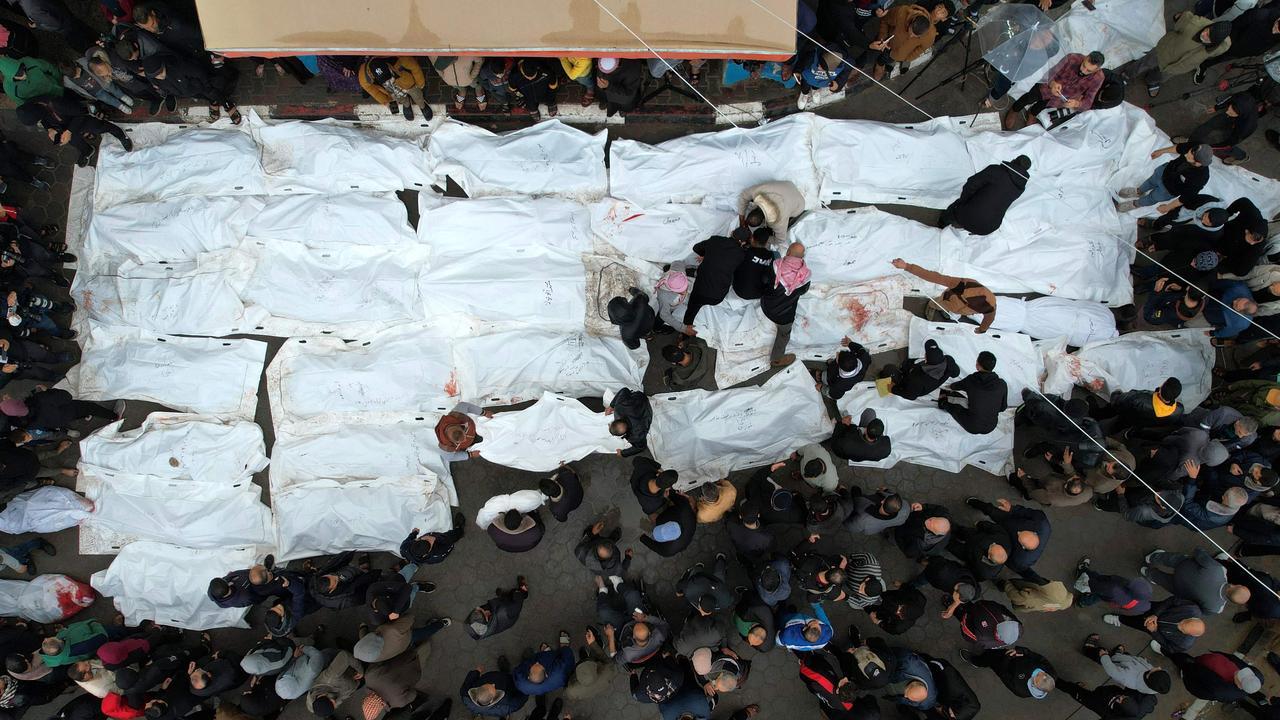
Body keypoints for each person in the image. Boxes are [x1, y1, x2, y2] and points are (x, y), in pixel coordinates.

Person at [1125, 13, 1231, 97]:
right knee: (1145, 63)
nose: (1204, 34)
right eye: (1206, 30)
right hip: (1163, 52)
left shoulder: (1217, 48)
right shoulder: (1192, 24)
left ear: (1215, 43)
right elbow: (1179, 17)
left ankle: (1151, 80)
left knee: (1161, 76)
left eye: (1208, 37)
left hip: (1177, 68)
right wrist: (1196, 20)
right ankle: (1127, 74)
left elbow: (1227, 44)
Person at [891, 260, 996, 333]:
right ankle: (931, 306)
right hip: (948, 300)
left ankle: (947, 310)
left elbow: (989, 318)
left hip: (958, 308)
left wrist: (982, 329)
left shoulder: (989, 306)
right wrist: (907, 266)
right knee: (938, 303)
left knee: (951, 309)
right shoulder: (962, 285)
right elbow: (934, 276)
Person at [1006, 52, 1105, 127]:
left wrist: (1076, 104)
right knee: (1028, 98)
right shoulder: (1072, 58)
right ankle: (1014, 110)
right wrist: (1052, 83)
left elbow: (1089, 102)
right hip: (1046, 87)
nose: (1083, 71)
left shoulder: (1098, 78)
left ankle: (1032, 113)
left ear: (1097, 69)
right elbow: (1050, 73)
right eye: (1083, 65)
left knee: (1042, 106)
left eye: (1088, 71)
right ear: (1086, 57)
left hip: (1062, 97)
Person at [1141, 548, 1250, 615]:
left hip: (1183, 566)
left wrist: (1200, 551)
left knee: (1167, 558)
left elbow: (1199, 553)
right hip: (1180, 590)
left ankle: (1152, 557)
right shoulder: (1216, 608)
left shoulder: (1220, 571)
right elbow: (1198, 609)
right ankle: (1147, 573)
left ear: (1233, 585)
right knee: (1162, 580)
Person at [940, 156, 1031, 236]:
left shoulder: (996, 171)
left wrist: (964, 201)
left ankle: (941, 224)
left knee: (954, 208)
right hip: (989, 227)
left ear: (1014, 161)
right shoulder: (1019, 188)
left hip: (970, 217)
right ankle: (970, 226)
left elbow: (971, 184)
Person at [966, 498, 1051, 583]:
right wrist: (1012, 509)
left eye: (1019, 537)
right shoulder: (1042, 522)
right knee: (991, 510)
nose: (1018, 532)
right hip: (1009, 520)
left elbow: (1005, 558)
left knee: (987, 535)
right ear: (1035, 533)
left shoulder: (1020, 561)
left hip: (1005, 538)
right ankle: (974, 502)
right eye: (1022, 532)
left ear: (1023, 546)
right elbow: (1027, 512)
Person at [683, 228, 748, 334]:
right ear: (743, 242)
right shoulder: (741, 254)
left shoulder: (715, 240)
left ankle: (687, 327)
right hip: (717, 296)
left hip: (701, 291)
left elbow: (696, 248)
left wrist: (705, 255)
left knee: (693, 306)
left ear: (731, 233)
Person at [1117, 143, 1213, 214]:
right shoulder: (1194, 149)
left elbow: (1185, 197)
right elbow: (1179, 148)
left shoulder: (1200, 178)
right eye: (1189, 152)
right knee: (1150, 182)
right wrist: (1161, 151)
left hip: (1167, 190)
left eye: (1190, 157)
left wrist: (1168, 207)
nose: (1186, 155)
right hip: (1163, 172)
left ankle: (1136, 204)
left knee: (1152, 198)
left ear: (1198, 163)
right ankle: (1138, 191)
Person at [762, 241, 811, 367]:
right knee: (784, 334)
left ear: (788, 252)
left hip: (766, 306)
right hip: (784, 316)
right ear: (802, 256)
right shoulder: (805, 277)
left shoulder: (775, 266)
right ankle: (776, 359)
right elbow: (803, 292)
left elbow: (764, 282)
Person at [1105, 596, 1205, 654]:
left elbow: (1167, 646)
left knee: (1135, 623)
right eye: (1183, 622)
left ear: (1190, 635)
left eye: (1182, 629)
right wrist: (1155, 614)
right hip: (1157, 609)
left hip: (1153, 628)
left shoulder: (1184, 643)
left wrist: (1154, 631)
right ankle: (1121, 601)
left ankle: (1119, 619)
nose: (1179, 624)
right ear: (1192, 618)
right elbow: (1172, 600)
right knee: (1137, 605)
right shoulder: (1191, 608)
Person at [939, 351, 1007, 435]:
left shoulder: (971, 380)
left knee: (955, 408)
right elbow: (1003, 408)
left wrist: (947, 387)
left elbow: (955, 386)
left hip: (972, 425)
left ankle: (942, 402)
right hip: (991, 426)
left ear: (978, 365)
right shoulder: (1002, 384)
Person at [1081, 634, 1173, 696]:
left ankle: (1088, 649)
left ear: (1149, 676)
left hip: (1115, 663)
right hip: (1131, 661)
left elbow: (1112, 671)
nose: (1158, 667)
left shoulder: (1127, 677)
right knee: (1123, 656)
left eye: (1157, 670)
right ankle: (1117, 654)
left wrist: (1104, 657)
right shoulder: (1154, 684)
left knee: (1100, 655)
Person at [961, 646, 1056, 700]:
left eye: (1037, 676)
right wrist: (1024, 651)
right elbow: (1040, 659)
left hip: (1005, 664)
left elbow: (1003, 674)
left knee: (991, 659)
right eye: (1044, 673)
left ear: (1035, 684)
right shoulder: (1052, 673)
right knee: (996, 651)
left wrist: (1007, 658)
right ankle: (988, 650)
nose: (1038, 671)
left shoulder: (1021, 690)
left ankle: (976, 661)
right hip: (1016, 656)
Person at [872, 4, 938, 81]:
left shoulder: (931, 34)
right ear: (911, 22)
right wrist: (882, 38)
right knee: (880, 58)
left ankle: (886, 63)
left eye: (915, 36)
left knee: (890, 59)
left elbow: (922, 48)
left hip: (899, 54)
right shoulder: (901, 12)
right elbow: (885, 20)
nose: (910, 36)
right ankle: (879, 65)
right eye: (911, 31)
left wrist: (908, 58)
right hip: (886, 45)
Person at [1168, 650, 1264, 702]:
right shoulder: (1258, 677)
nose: (1239, 671)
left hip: (1195, 671)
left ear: (1240, 686)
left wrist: (1186, 676)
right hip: (1202, 663)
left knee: (1182, 660)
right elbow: (1235, 660)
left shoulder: (1220, 691)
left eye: (1240, 675)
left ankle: (1170, 654)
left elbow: (1196, 690)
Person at [1190, 92, 1258, 164]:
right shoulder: (1242, 97)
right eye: (1230, 107)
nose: (1228, 111)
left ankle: (1241, 156)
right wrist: (1217, 107)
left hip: (1238, 131)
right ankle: (1191, 141)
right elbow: (1231, 99)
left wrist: (1210, 147)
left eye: (1232, 112)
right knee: (1211, 123)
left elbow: (1230, 142)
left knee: (1226, 146)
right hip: (1238, 119)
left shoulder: (1247, 127)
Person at [358, 56, 429, 120]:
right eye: (383, 80)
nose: (387, 80)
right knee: (400, 98)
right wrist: (386, 102)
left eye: (387, 77)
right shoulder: (364, 78)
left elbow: (415, 68)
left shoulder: (401, 59)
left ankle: (422, 105)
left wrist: (420, 84)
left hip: (408, 83)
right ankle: (406, 104)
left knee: (417, 95)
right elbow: (373, 92)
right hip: (392, 90)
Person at [738, 180, 806, 244]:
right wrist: (741, 219)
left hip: (799, 203)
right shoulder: (758, 191)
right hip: (789, 186)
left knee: (784, 224)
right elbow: (743, 196)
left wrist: (761, 239)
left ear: (763, 222)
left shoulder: (778, 221)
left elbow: (780, 239)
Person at [1059, 680, 1158, 719]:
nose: (1121, 697)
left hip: (1098, 703)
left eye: (1120, 700)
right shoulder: (1145, 705)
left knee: (1079, 694)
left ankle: (1057, 682)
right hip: (1107, 693)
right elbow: (1152, 699)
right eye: (1124, 697)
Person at [460, 663, 528, 718]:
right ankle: (505, 671)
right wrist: (526, 689)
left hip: (497, 676)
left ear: (477, 689)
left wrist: (476, 672)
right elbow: (519, 702)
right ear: (491, 701)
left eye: (487, 684)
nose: (493, 684)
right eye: (494, 689)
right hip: (507, 682)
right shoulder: (504, 707)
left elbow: (468, 681)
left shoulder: (466, 696)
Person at [641, 492, 697, 557]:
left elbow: (649, 543)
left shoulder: (667, 551)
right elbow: (670, 492)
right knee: (651, 513)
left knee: (651, 513)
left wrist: (642, 538)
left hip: (673, 515)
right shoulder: (686, 510)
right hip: (675, 513)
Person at [815, 337, 871, 402]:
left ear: (839, 365)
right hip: (854, 375)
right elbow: (860, 349)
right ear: (854, 356)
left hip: (832, 378)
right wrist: (850, 343)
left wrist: (822, 388)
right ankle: (831, 364)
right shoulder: (864, 358)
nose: (837, 353)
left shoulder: (840, 384)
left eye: (838, 356)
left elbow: (835, 395)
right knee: (832, 364)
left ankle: (821, 376)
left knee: (826, 376)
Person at [399, 512, 466, 566]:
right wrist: (441, 539)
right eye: (430, 543)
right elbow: (449, 544)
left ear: (416, 540)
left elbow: (409, 539)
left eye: (425, 539)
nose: (431, 538)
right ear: (426, 554)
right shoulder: (438, 555)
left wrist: (414, 533)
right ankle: (459, 530)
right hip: (442, 542)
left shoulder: (404, 548)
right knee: (451, 537)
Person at [607, 387, 651, 458]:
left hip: (647, 408)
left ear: (624, 434)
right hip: (640, 397)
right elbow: (624, 390)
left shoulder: (636, 435)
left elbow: (641, 447)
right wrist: (611, 406)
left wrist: (623, 453)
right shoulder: (619, 407)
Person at [732, 228, 775, 301]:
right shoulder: (770, 256)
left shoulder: (745, 253)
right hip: (759, 293)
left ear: (752, 239)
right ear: (766, 242)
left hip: (739, 289)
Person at [845, 489, 910, 535]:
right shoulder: (906, 507)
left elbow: (850, 527)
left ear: (882, 501)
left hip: (856, 509)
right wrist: (886, 490)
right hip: (877, 528)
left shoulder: (863, 519)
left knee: (855, 489)